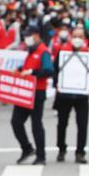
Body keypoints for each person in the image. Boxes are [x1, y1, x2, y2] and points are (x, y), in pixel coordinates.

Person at [11, 26, 53, 165]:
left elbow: (48, 70)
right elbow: (28, 67)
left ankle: (41, 156)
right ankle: (27, 148)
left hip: (37, 92)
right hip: (25, 91)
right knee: (16, 121)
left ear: (36, 35)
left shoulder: (43, 51)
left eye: (28, 36)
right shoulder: (31, 51)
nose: (26, 39)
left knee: (36, 124)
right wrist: (20, 70)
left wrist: (32, 72)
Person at [54, 26, 89, 163]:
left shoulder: (88, 52)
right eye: (75, 36)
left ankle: (80, 152)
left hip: (81, 96)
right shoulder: (62, 51)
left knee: (82, 125)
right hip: (64, 95)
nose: (77, 39)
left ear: (84, 39)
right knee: (62, 123)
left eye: (80, 36)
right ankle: (61, 149)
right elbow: (55, 70)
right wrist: (56, 84)